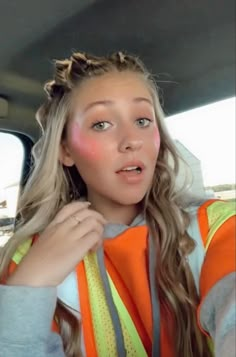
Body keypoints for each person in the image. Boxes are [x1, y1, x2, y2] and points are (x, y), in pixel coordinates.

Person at [0, 51, 235, 357]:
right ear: (66, 150)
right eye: (101, 124)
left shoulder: (215, 227)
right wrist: (30, 286)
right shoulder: (27, 259)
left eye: (142, 120)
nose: (131, 140)